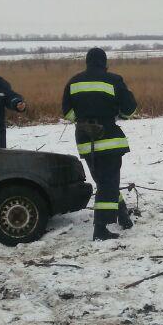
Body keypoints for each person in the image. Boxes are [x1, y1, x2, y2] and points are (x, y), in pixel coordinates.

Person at [61, 47, 137, 241]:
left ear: (87, 62)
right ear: (105, 63)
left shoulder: (74, 81)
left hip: (86, 142)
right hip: (109, 140)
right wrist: (116, 114)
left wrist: (84, 121)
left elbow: (67, 113)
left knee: (105, 182)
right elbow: (130, 109)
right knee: (108, 183)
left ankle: (122, 215)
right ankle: (100, 228)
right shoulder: (114, 80)